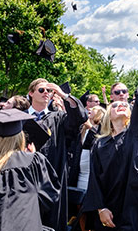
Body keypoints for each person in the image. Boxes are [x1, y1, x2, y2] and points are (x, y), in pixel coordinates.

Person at [81, 46, 138, 231]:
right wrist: (100, 208)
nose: (120, 105)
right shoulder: (100, 143)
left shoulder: (134, 135)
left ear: (129, 113)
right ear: (108, 114)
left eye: (123, 104)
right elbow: (94, 179)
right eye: (115, 104)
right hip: (107, 206)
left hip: (132, 205)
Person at [27, 79, 88, 231]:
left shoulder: (58, 118)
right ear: (31, 93)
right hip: (24, 176)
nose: (46, 93)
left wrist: (65, 96)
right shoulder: (20, 118)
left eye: (49, 90)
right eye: (41, 90)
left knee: (50, 221)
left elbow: (79, 118)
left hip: (51, 178)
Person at [69, 106, 105, 191]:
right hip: (80, 168)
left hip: (91, 169)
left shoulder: (101, 128)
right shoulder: (83, 128)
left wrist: (91, 128)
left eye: (93, 109)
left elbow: (97, 142)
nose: (90, 110)